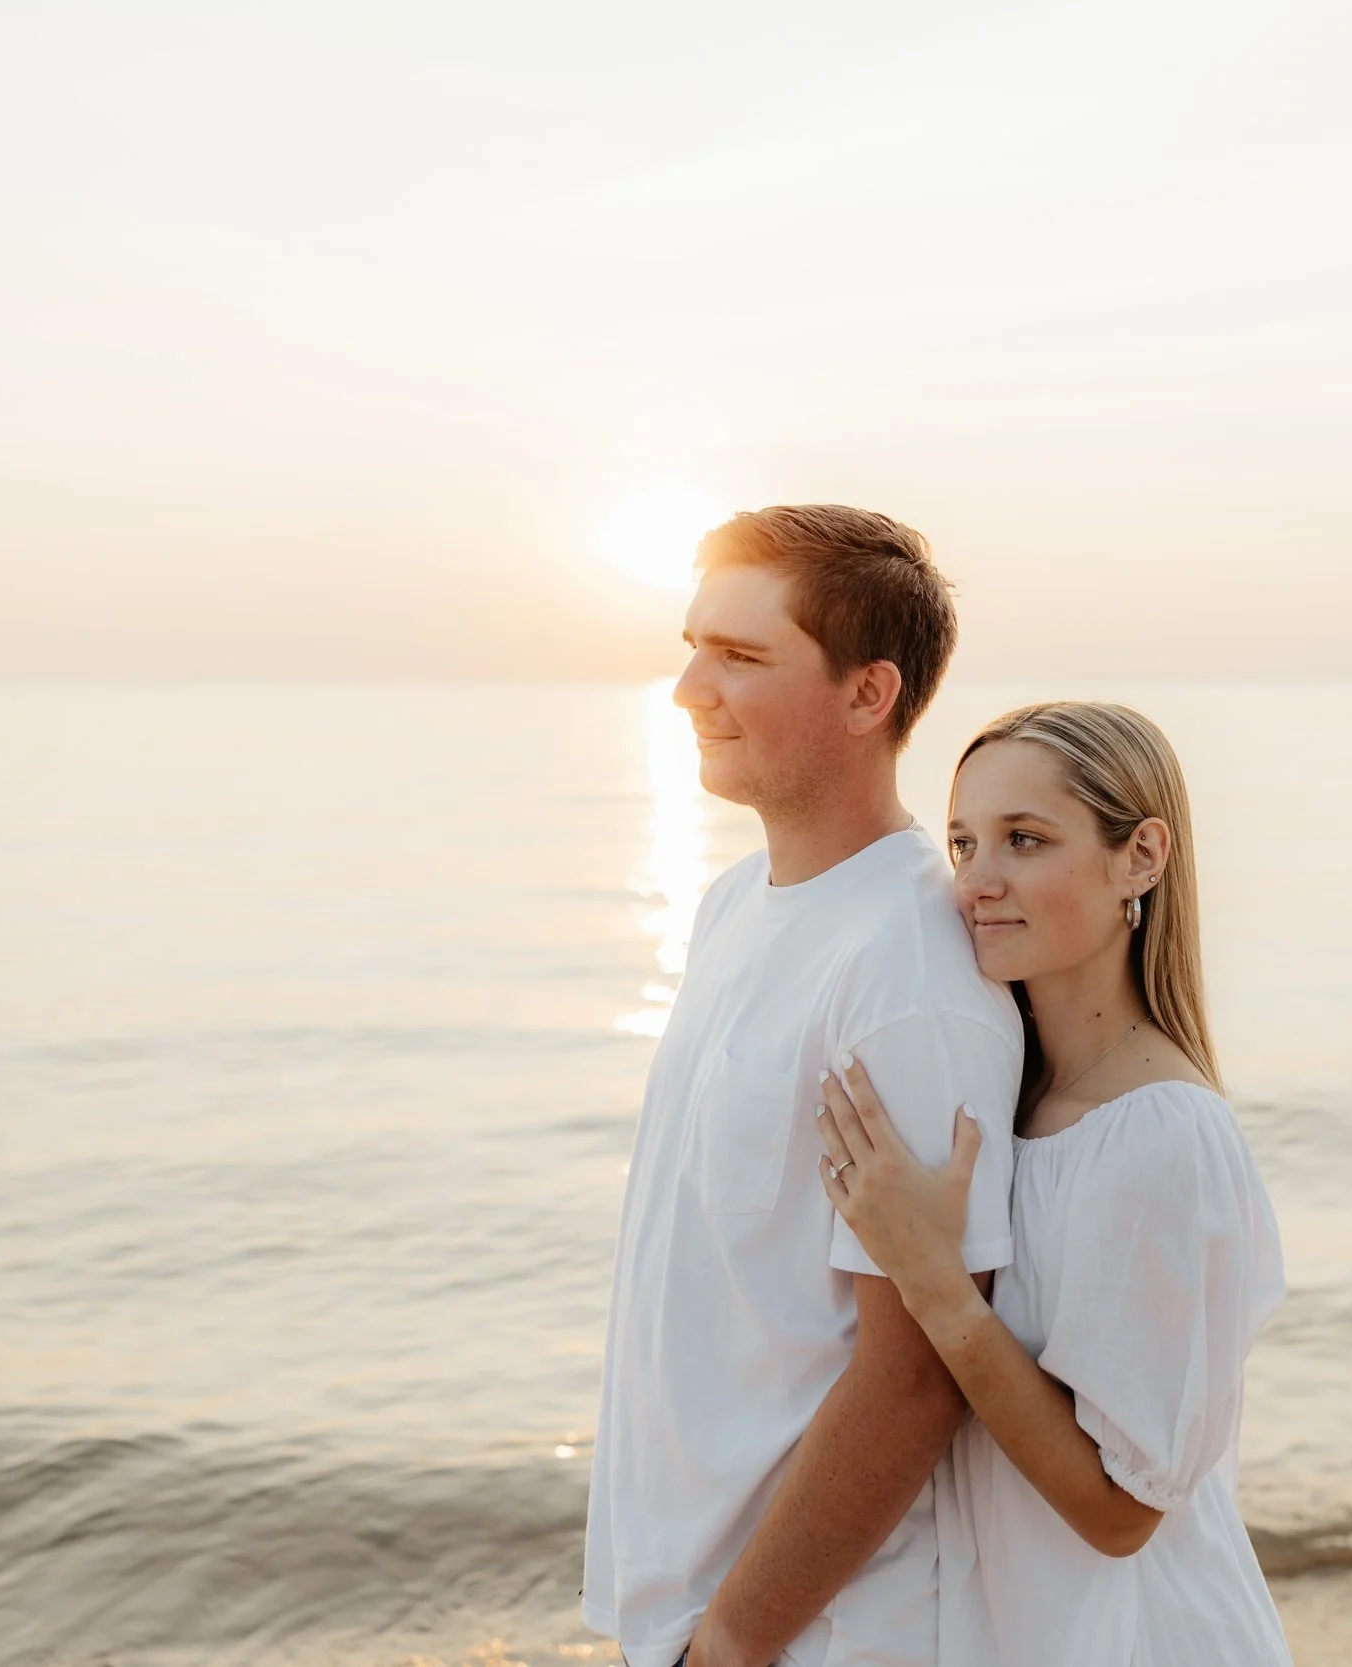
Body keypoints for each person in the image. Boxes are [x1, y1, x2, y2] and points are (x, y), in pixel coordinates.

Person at [582, 506, 1023, 1667]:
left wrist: (732, 1642)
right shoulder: (734, 905)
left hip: (821, 1634)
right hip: (692, 1606)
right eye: (692, 643)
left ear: (868, 694)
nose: (686, 687)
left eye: (739, 656)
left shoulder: (907, 973)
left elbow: (917, 1371)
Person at [815, 701, 1292, 1667]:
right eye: (961, 843)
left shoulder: (1164, 1135)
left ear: (1141, 857)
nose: (977, 883)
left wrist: (937, 1286)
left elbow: (1122, 1513)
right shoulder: (1010, 1092)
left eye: (1024, 840)